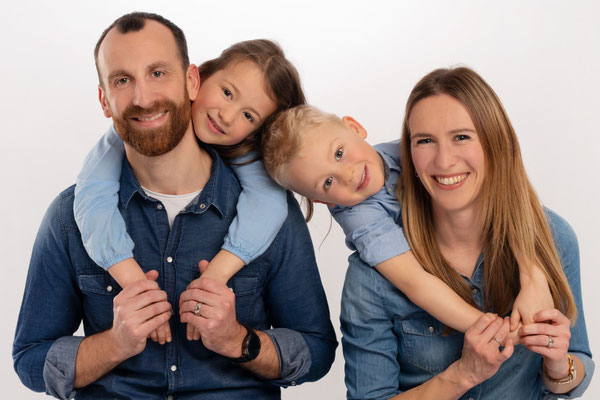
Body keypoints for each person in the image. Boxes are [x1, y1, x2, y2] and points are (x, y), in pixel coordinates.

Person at [13, 12, 336, 399]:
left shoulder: (270, 213)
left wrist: (238, 340)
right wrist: (114, 344)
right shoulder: (70, 216)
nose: (143, 98)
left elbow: (317, 350)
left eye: (158, 73)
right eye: (122, 80)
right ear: (104, 100)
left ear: (191, 81)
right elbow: (29, 359)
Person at [336, 67, 592, 399]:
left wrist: (558, 364)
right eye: (425, 141)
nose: (444, 161)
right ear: (407, 154)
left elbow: (577, 367)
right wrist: (462, 375)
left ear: (494, 141)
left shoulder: (554, 237)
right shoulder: (372, 275)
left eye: (461, 137)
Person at [75, 36, 305, 344]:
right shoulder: (138, 124)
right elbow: (92, 199)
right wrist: (135, 286)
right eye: (226, 93)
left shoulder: (245, 153)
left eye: (248, 116)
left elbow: (269, 203)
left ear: (256, 132)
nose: (226, 116)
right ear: (197, 78)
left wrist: (215, 276)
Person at [262, 105, 551, 339]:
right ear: (323, 201)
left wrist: (533, 279)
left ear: (354, 127)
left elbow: (503, 188)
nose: (347, 175)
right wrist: (492, 330)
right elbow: (416, 283)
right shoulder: (360, 218)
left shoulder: (412, 149)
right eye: (327, 182)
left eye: (339, 153)